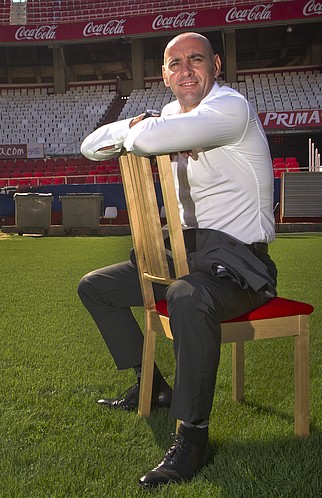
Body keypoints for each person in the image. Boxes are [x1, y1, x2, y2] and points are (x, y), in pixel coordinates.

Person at [77, 32, 278, 487]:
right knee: (96, 287)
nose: (186, 70)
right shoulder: (168, 115)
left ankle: (193, 435)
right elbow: (91, 146)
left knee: (188, 298)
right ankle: (152, 385)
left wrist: (142, 131)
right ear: (164, 75)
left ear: (217, 65)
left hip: (239, 263)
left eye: (196, 60)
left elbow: (144, 143)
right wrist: (145, 127)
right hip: (183, 254)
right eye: (175, 64)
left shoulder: (230, 109)